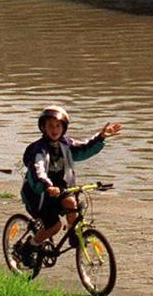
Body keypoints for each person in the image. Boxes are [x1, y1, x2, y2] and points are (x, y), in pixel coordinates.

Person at [19, 105, 121, 265]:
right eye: (50, 126)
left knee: (71, 203)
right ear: (43, 127)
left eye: (58, 125)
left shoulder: (67, 145)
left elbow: (85, 148)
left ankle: (74, 234)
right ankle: (29, 246)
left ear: (64, 127)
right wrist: (47, 186)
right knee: (54, 227)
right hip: (38, 194)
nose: (54, 129)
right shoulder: (38, 149)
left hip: (60, 189)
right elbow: (38, 171)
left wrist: (101, 137)